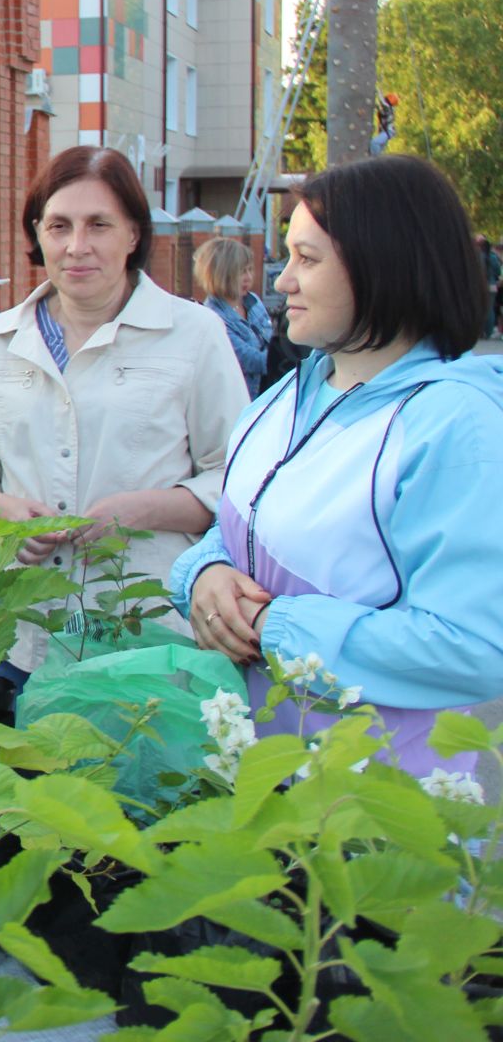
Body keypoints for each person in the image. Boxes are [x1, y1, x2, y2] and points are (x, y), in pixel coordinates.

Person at [172, 156, 503, 777]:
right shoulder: (292, 393)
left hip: (370, 807)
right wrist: (205, 572)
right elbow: (242, 528)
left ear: (384, 264)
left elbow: (477, 646)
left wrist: (275, 625)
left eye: (308, 258)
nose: (281, 282)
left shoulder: (454, 428)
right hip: (261, 778)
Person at [0, 146, 248, 674]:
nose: (76, 246)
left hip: (145, 626)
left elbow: (241, 481)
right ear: (38, 233)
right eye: (59, 226)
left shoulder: (193, 335)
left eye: (99, 225)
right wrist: (5, 513)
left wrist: (139, 511)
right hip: (19, 631)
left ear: (133, 234)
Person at [195, 236, 275, 397]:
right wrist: (287, 359)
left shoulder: (254, 302)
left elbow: (272, 342)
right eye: (240, 272)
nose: (248, 277)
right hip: (240, 404)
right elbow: (250, 360)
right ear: (221, 274)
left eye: (249, 269)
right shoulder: (213, 317)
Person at [479, 235, 500, 339]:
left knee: (480, 308)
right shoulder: (493, 257)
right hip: (492, 285)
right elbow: (498, 271)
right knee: (490, 308)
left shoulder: (478, 256)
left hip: (480, 285)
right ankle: (489, 331)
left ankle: (481, 331)